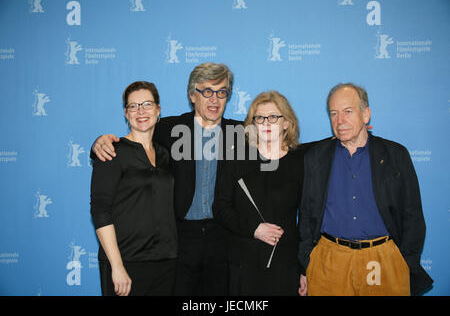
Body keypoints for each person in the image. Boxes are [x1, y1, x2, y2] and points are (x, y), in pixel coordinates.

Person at [92, 62, 241, 295]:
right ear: (193, 95)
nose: (214, 99)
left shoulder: (240, 133)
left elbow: (282, 147)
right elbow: (135, 137)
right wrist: (98, 143)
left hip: (221, 238)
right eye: (207, 92)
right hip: (179, 240)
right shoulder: (170, 129)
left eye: (221, 92)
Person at [298, 83, 433, 296]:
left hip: (381, 261)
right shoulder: (316, 158)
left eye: (348, 111)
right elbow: (306, 215)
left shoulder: (395, 155)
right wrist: (308, 260)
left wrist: (404, 262)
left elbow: (412, 214)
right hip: (330, 261)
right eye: (334, 113)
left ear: (366, 114)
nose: (340, 121)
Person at [213, 91, 318, 295]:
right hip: (243, 264)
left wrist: (303, 268)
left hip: (285, 266)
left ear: (286, 123)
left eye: (273, 117)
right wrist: (254, 229)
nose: (266, 123)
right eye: (259, 118)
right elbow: (220, 206)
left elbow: (307, 219)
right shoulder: (235, 159)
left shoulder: (300, 164)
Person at [90, 81, 177, 296]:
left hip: (166, 263)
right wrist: (117, 267)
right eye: (133, 106)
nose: (141, 111)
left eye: (147, 104)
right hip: (126, 263)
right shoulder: (112, 152)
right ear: (126, 113)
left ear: (158, 110)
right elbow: (100, 211)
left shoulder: (166, 154)